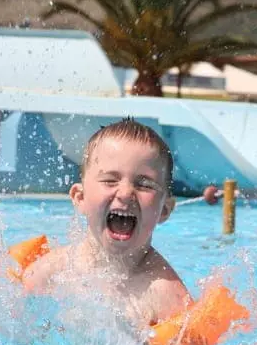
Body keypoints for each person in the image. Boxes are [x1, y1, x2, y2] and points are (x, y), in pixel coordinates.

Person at [22, 118, 192, 329]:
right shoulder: (49, 272)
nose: (126, 193)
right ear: (80, 198)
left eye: (144, 184)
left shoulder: (167, 297)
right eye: (110, 180)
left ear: (164, 210)